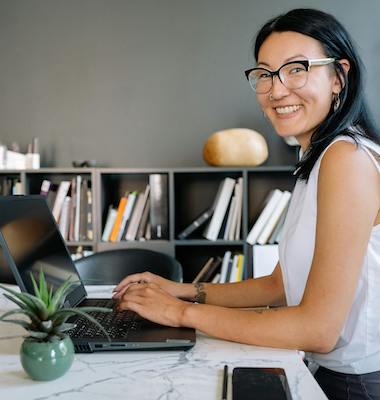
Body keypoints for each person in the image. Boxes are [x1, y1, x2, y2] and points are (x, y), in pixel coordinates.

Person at [113, 8, 380, 400]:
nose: (276, 89)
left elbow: (317, 329)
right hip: (331, 373)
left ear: (339, 77)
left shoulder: (347, 159)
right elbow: (278, 285)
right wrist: (182, 290)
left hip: (357, 385)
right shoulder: (321, 158)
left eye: (296, 69)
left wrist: (179, 313)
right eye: (265, 73)